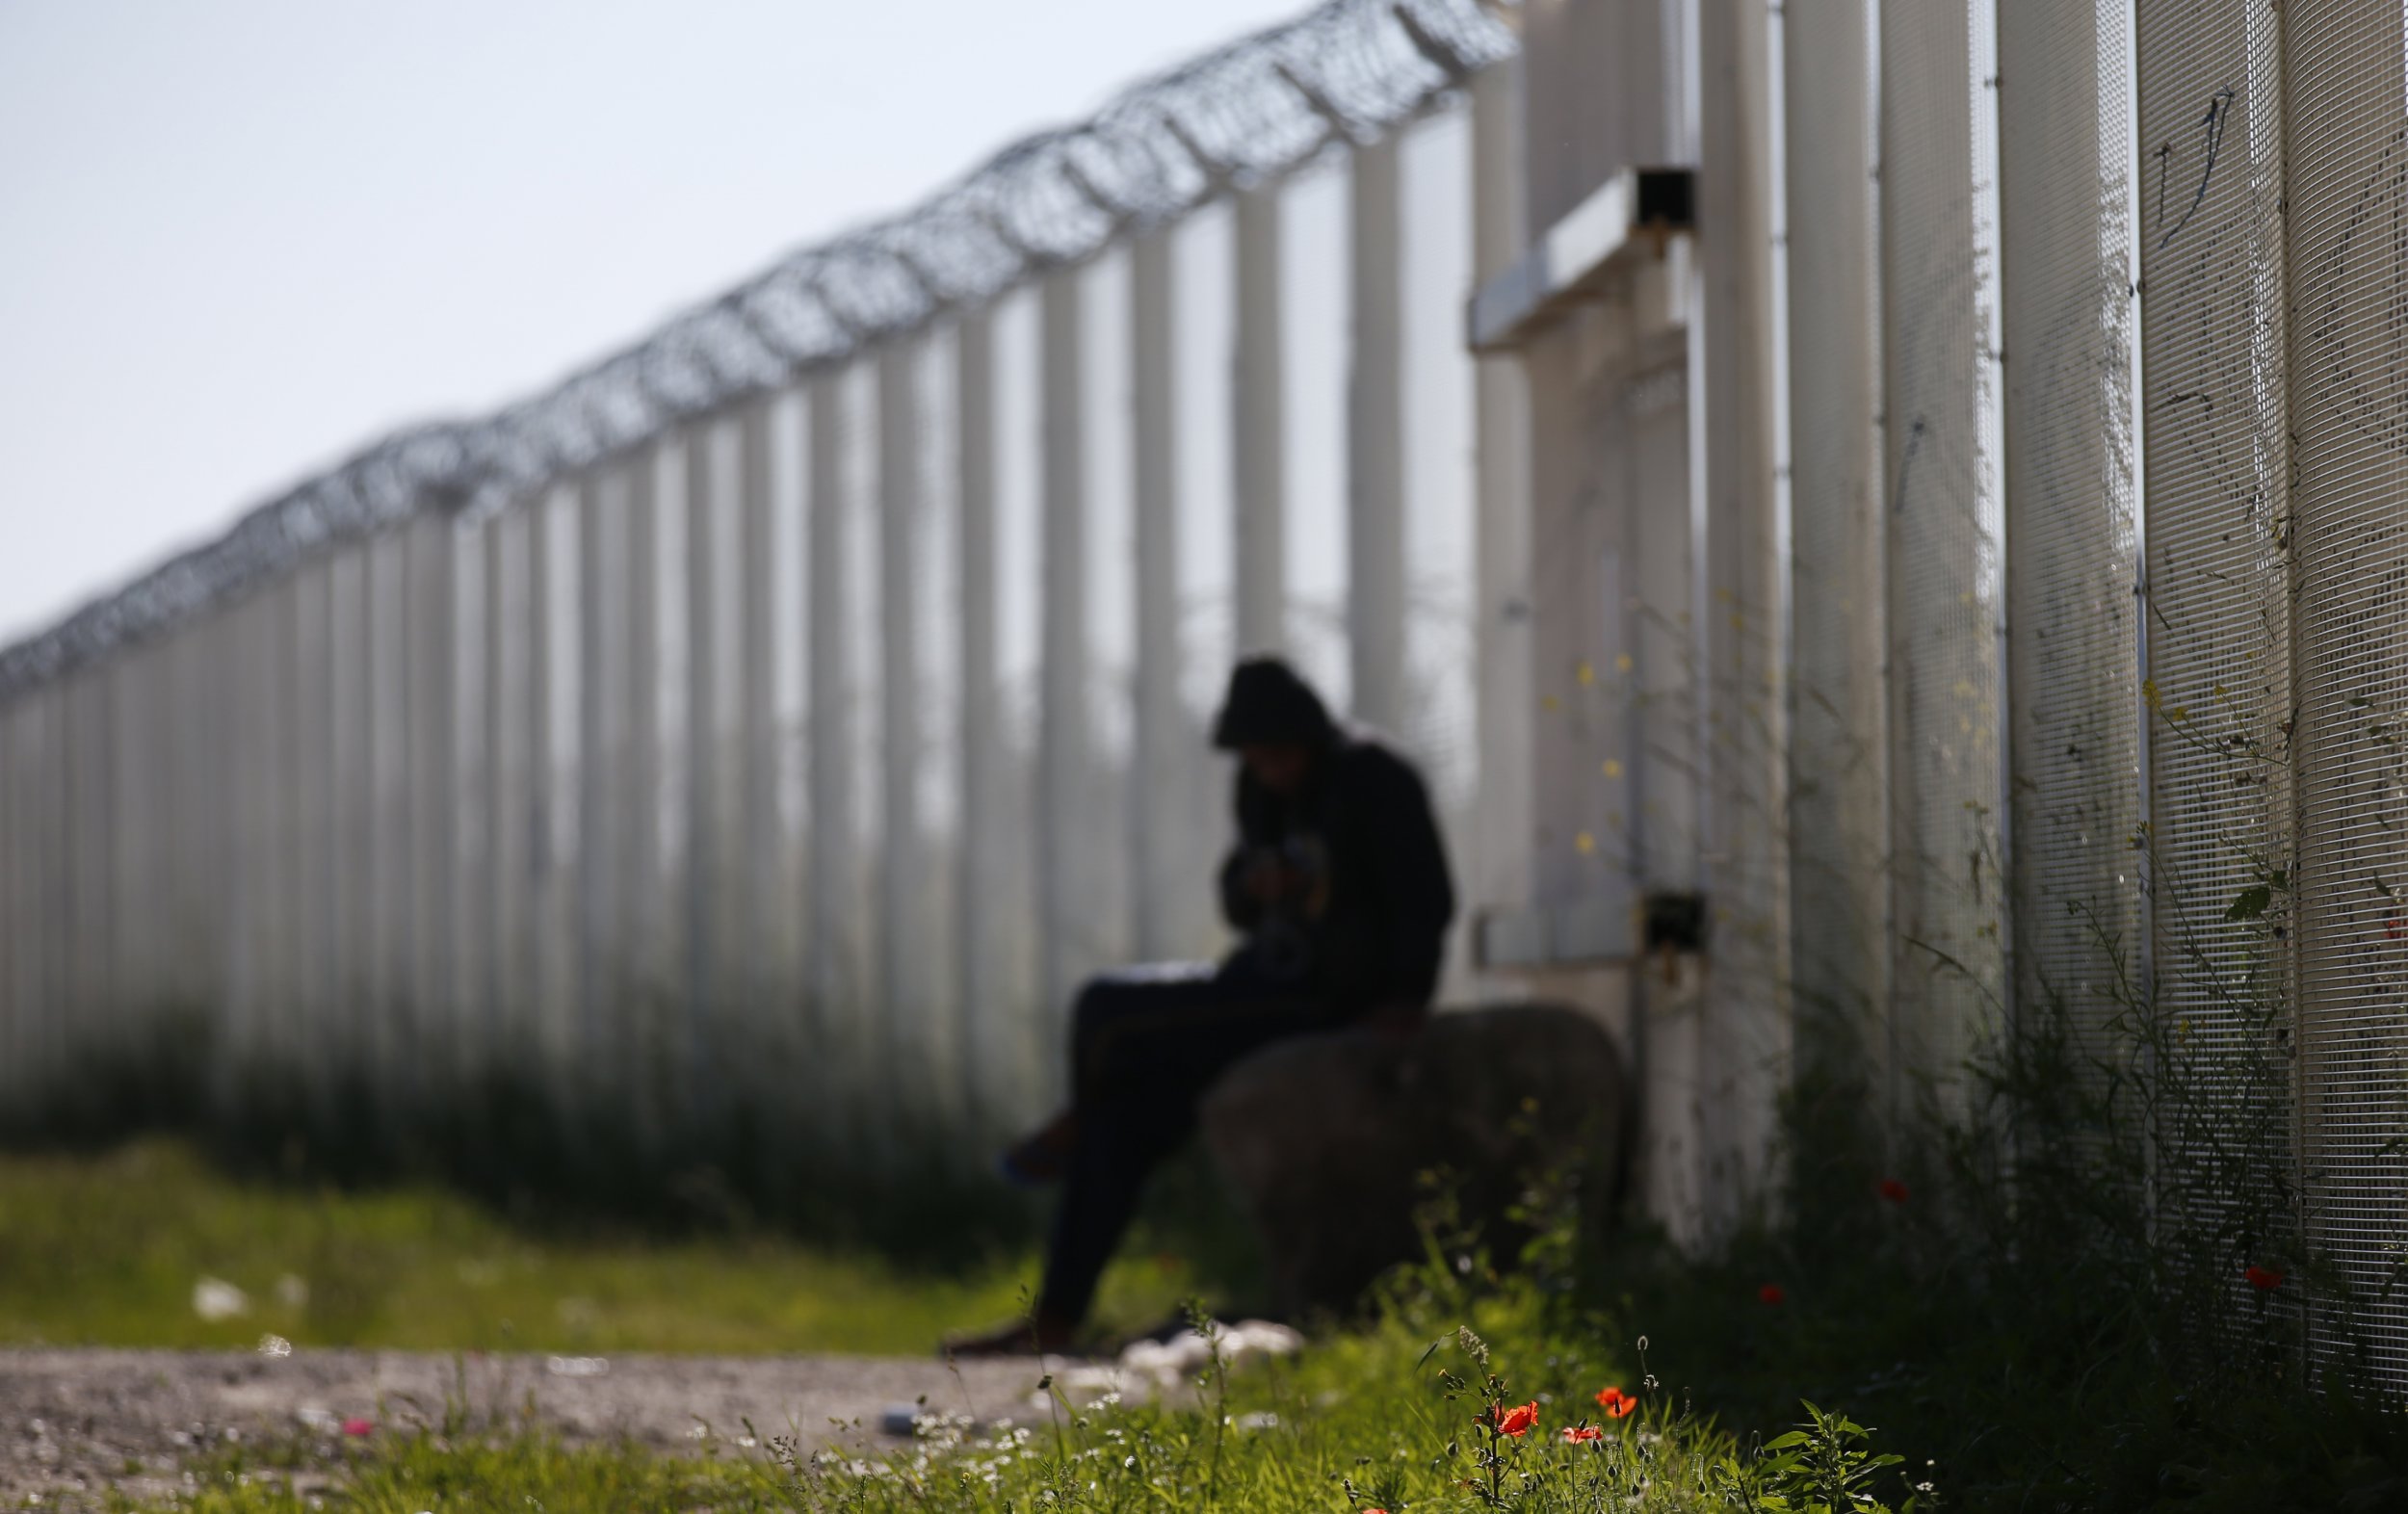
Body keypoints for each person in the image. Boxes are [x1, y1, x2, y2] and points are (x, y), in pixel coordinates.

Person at [949, 655, 1455, 1356]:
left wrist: (1406, 999)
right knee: (1117, 1129)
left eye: (1276, 754)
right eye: (1254, 756)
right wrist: (1258, 886)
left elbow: (1424, 899)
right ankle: (1057, 1317)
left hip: (1333, 999)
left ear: (1307, 737)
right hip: (1267, 980)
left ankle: (1077, 1111)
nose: (1267, 768)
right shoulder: (1261, 789)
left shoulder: (1373, 777)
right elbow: (1235, 897)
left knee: (1106, 1007)